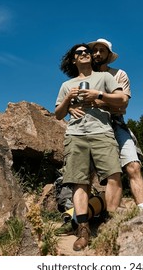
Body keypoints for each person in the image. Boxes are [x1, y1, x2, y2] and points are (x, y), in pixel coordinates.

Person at [55, 43, 128, 251]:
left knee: (114, 175)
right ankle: (83, 229)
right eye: (80, 52)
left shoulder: (104, 78)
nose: (85, 54)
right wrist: (69, 99)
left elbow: (122, 99)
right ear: (73, 60)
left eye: (87, 51)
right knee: (80, 182)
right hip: (76, 135)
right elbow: (58, 114)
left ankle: (111, 223)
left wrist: (98, 95)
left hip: (102, 132)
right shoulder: (66, 85)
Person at [70, 38, 143, 211]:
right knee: (85, 174)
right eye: (95, 50)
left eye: (102, 51)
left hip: (116, 123)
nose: (97, 54)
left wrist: (99, 97)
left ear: (108, 55)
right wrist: (70, 109)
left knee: (133, 165)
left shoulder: (119, 74)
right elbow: (72, 99)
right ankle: (81, 217)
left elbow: (123, 102)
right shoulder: (84, 75)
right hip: (90, 126)